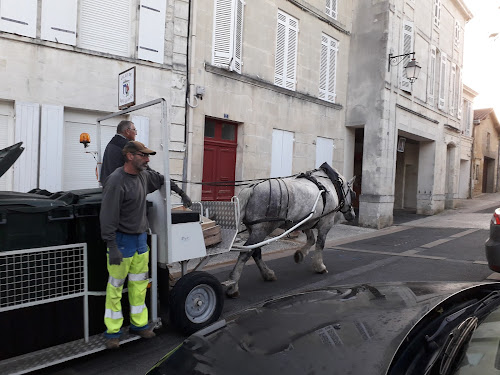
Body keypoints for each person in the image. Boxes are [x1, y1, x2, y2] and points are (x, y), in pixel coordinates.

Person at [100, 141, 164, 349]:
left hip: (140, 241)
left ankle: (139, 325)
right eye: (143, 156)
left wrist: (181, 192)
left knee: (138, 286)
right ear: (129, 156)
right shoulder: (116, 181)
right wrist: (112, 246)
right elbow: (107, 216)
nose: (147, 160)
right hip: (121, 241)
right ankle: (113, 333)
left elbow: (161, 179)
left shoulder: (144, 176)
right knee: (116, 287)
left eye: (148, 156)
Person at [100, 120, 191, 207]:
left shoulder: (111, 144)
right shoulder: (128, 147)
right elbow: (157, 176)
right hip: (124, 197)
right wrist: (181, 193)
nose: (136, 133)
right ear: (127, 131)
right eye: (143, 155)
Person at [100, 120, 137, 186]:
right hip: (120, 187)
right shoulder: (127, 145)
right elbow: (138, 164)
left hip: (108, 184)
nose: (136, 133)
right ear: (127, 131)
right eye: (134, 130)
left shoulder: (112, 142)